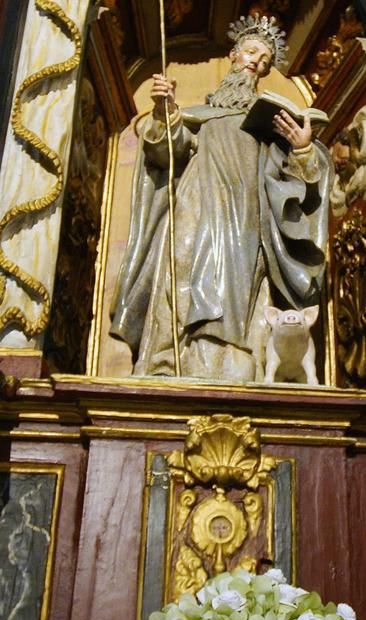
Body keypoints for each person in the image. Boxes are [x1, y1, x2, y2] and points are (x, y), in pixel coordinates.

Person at [110, 15, 332, 381]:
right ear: (233, 54)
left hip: (246, 214)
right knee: (179, 270)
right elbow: (167, 153)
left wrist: (303, 149)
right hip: (195, 203)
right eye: (250, 53)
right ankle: (167, 359)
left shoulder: (269, 125)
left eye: (263, 62)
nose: (254, 63)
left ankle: (231, 363)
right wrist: (166, 112)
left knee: (236, 286)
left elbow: (295, 184)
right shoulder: (199, 115)